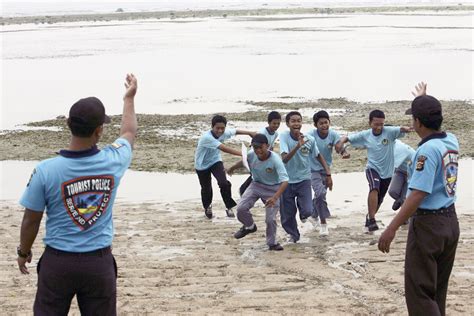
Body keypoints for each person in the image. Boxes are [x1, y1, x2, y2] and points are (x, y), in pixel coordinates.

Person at [17, 74, 138, 315]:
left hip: (58, 262)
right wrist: (129, 98)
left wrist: (23, 251)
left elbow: (31, 219)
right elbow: (129, 133)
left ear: (68, 124)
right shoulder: (113, 161)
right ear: (99, 130)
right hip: (98, 263)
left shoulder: (46, 170)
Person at [378, 82, 460, 316]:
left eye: (414, 118)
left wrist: (392, 228)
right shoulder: (451, 141)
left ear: (418, 123)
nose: (412, 123)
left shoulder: (426, 151)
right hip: (450, 223)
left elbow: (418, 194)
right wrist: (424, 100)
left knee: (420, 294)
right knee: (436, 291)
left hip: (429, 226)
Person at [336, 110, 412, 232]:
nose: (379, 127)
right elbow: (348, 138)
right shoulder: (365, 135)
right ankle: (372, 220)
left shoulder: (389, 132)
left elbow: (401, 129)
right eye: (376, 124)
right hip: (373, 169)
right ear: (370, 123)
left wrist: (407, 128)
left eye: (381, 124)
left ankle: (369, 217)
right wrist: (341, 142)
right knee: (374, 188)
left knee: (379, 199)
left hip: (387, 173)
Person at [227, 134, 289, 251]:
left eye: (261, 147)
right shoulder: (252, 154)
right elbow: (244, 161)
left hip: (273, 189)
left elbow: (285, 181)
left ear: (267, 146)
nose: (258, 150)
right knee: (241, 208)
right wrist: (232, 168)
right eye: (255, 148)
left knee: (270, 219)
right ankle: (250, 226)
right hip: (256, 185)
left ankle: (272, 243)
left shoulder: (275, 160)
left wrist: (275, 197)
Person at [279, 111, 332, 243]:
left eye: (299, 121)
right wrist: (298, 146)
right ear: (287, 124)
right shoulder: (284, 136)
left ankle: (304, 212)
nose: (296, 124)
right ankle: (294, 235)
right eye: (293, 121)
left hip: (303, 179)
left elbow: (318, 156)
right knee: (288, 214)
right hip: (286, 180)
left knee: (307, 211)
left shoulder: (309, 139)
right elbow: (284, 159)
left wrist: (328, 173)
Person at [195, 115, 255, 219]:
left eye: (222, 128)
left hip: (215, 161)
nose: (220, 130)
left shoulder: (224, 133)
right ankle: (207, 207)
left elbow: (236, 131)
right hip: (202, 165)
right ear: (212, 127)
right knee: (206, 188)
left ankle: (229, 207)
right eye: (217, 128)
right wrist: (244, 154)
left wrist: (250, 133)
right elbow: (224, 148)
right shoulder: (207, 137)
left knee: (224, 183)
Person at [309, 110, 350, 236]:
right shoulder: (310, 136)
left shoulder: (332, 134)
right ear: (315, 125)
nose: (324, 126)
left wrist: (344, 153)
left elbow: (338, 146)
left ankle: (313, 215)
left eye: (326, 122)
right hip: (312, 169)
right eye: (321, 123)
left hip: (326, 169)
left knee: (319, 196)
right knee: (320, 193)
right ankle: (323, 224)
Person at [239, 111, 282, 196]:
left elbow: (271, 146)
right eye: (274, 123)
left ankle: (244, 190)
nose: (276, 126)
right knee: (255, 175)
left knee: (258, 176)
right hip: (256, 156)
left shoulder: (276, 134)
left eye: (278, 123)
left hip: (265, 156)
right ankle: (243, 190)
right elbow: (254, 145)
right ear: (269, 122)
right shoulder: (262, 132)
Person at [388, 139, 416, 211]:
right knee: (392, 192)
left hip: (412, 173)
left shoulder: (399, 149)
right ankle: (400, 201)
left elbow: (391, 168)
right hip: (400, 170)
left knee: (405, 198)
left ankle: (406, 219)